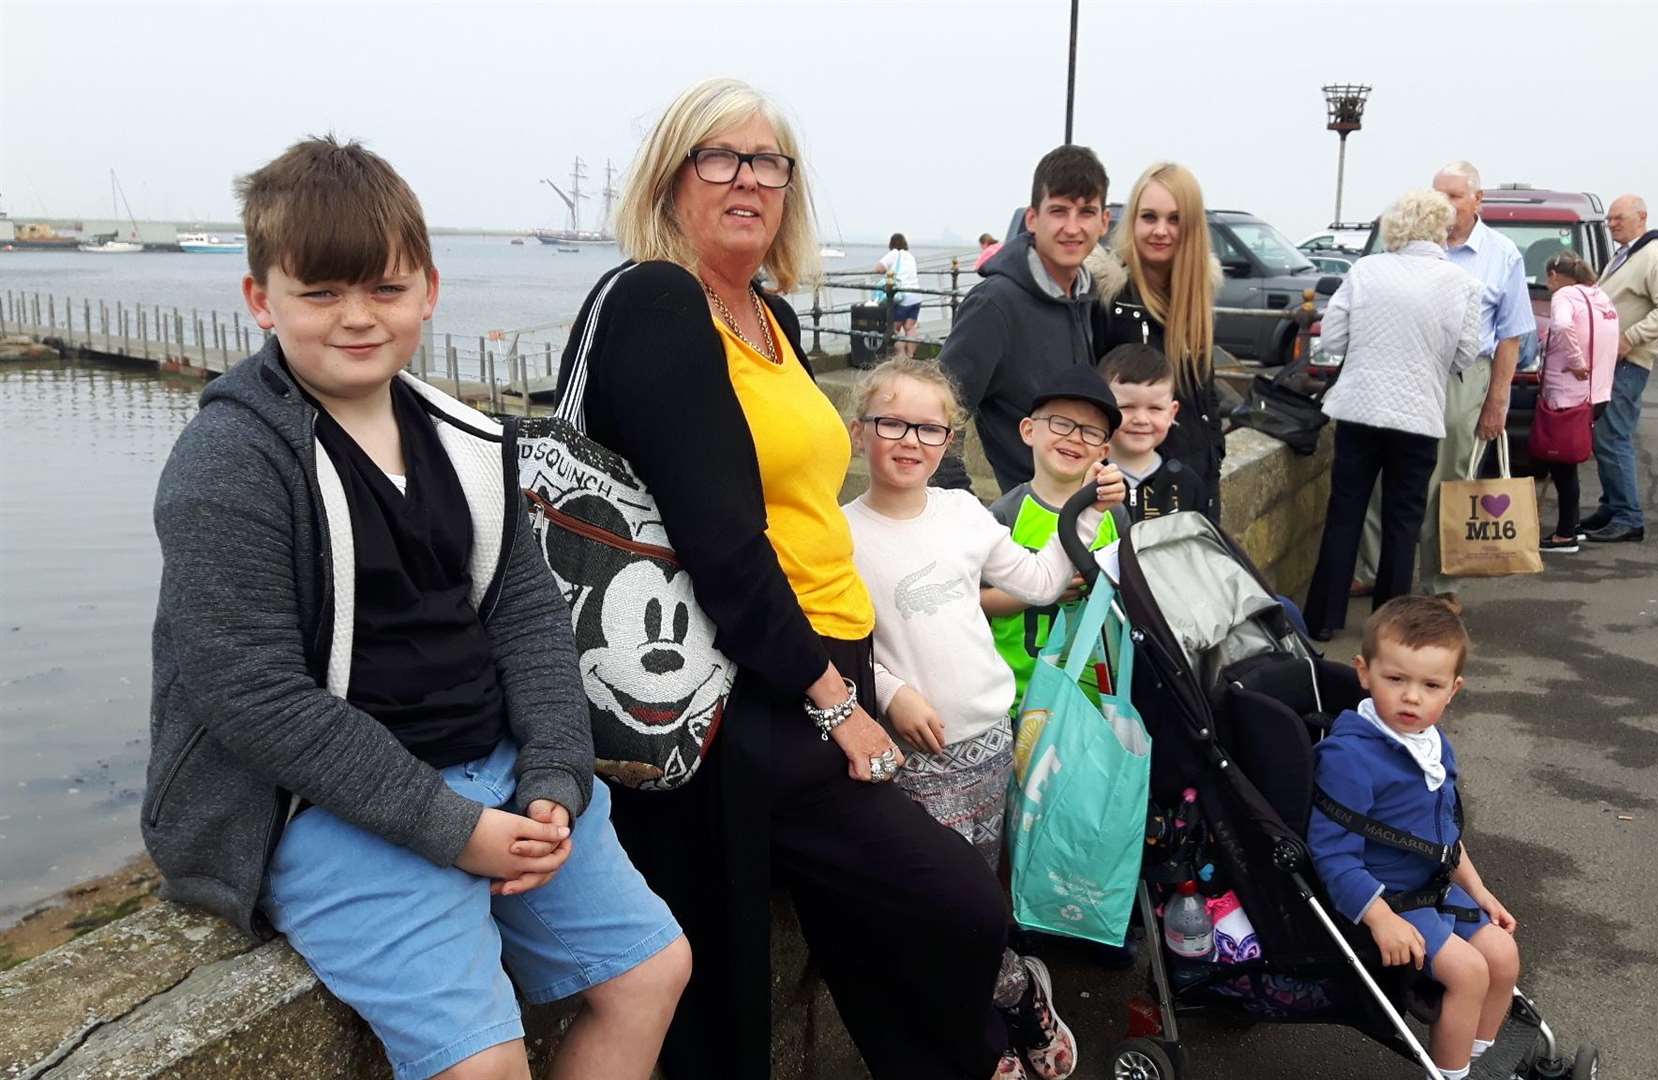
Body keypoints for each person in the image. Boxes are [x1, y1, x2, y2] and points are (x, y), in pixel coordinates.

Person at [145, 136, 689, 1080]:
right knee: (479, 1063)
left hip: (501, 769)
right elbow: (251, 694)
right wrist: (453, 831)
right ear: (260, 299)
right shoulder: (229, 464)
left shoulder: (473, 442)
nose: (356, 318)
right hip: (319, 804)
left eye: (385, 290)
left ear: (429, 291)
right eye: (319, 294)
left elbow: (527, 618)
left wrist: (555, 778)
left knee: (650, 972)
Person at [555, 78, 1014, 1080]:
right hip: (729, 688)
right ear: (672, 180)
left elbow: (798, 509)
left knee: (880, 934)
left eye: (768, 162)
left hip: (812, 666)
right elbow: (721, 539)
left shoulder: (770, 316)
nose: (748, 179)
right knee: (738, 991)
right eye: (718, 157)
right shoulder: (658, 301)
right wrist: (832, 701)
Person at [842, 358, 1123, 1080]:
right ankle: (1008, 1006)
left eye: (929, 427)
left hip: (989, 747)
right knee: (940, 912)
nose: (910, 440)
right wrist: (891, 689)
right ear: (857, 432)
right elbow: (836, 645)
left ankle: (1003, 1005)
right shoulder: (839, 535)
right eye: (892, 423)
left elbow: (1037, 581)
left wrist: (1084, 511)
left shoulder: (966, 514)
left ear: (950, 439)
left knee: (971, 906)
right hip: (910, 761)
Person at [1307, 597, 1521, 1080]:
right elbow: (1333, 854)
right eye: (1396, 679)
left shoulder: (1432, 742)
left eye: (1430, 686)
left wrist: (1481, 892)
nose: (1411, 698)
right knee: (1469, 973)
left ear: (1453, 690)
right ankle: (1449, 1073)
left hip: (1436, 884)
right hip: (1390, 897)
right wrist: (1380, 918)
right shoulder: (1350, 758)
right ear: (1364, 672)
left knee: (1503, 956)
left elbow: (1444, 835)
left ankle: (1481, 1061)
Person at [1302, 190, 1481, 642]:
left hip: (1360, 408)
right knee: (1404, 520)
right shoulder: (1462, 284)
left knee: (1345, 511)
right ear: (1439, 228)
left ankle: (1323, 618)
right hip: (1419, 414)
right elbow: (1466, 353)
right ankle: (1390, 624)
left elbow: (1333, 339)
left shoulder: (1365, 271)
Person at [1358, 161, 1535, 612]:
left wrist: (1497, 400)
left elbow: (1511, 336)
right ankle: (1373, 571)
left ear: (1479, 200)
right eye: (1439, 194)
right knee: (1385, 470)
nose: (1445, 204)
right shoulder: (1406, 246)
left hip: (1463, 375)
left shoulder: (1502, 255)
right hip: (1404, 367)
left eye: (1455, 195)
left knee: (1449, 479)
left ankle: (1439, 582)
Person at [934, 145, 1110, 493]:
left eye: (1086, 212)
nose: (1072, 227)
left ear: (1104, 222)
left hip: (1084, 511)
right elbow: (935, 415)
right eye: (1058, 211)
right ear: (1033, 219)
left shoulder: (1088, 298)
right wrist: (965, 510)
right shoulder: (994, 304)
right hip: (1025, 526)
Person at [983, 366, 1125, 705]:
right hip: (1019, 695)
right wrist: (1041, 589)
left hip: (1096, 697)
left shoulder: (1112, 512)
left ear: (1103, 451)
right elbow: (977, 601)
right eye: (1061, 423)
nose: (1075, 437)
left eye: (1091, 432)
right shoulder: (1004, 515)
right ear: (1029, 430)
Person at [1093, 162, 1226, 521]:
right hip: (1129, 487)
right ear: (1133, 220)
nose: (1161, 231)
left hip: (1195, 484)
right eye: (1149, 217)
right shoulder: (1109, 296)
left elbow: (1204, 392)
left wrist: (1214, 459)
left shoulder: (1196, 295)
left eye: (1174, 219)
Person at [1585, 194, 1658, 544]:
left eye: (1618, 218)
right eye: (1609, 219)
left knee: (1613, 435)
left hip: (1628, 362)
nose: (1611, 224)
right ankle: (1612, 506)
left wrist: (1630, 338)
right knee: (1603, 435)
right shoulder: (1628, 254)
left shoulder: (1654, 255)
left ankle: (1628, 516)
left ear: (1641, 217)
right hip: (1610, 361)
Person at [1537, 252, 1619, 553]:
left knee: (1562, 465)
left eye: (1547, 278)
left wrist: (1575, 361)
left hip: (1567, 395)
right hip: (1597, 394)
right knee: (1569, 463)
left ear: (1556, 275)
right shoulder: (1600, 297)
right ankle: (1571, 526)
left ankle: (1564, 535)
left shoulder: (1564, 297)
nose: (1547, 284)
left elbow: (1560, 326)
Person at [1098, 342, 1200, 520]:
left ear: (1171, 413)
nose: (1141, 420)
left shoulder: (1186, 483)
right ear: (1102, 409)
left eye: (1155, 409)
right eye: (1127, 407)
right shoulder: (1088, 478)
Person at [876, 232, 922, 358]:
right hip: (916, 295)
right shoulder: (910, 256)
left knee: (895, 327)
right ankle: (911, 355)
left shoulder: (894, 253)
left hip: (902, 296)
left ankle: (901, 356)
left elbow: (878, 268)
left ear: (891, 244)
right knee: (910, 327)